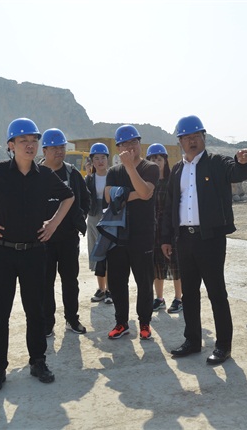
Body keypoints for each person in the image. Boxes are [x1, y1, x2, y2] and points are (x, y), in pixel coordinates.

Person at [0, 118, 74, 393]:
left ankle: (38, 361)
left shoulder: (45, 175)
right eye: (23, 141)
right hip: (2, 253)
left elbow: (68, 197)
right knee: (0, 314)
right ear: (11, 145)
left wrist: (53, 223)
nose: (30, 145)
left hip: (34, 253)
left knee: (36, 312)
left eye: (33, 141)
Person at [162, 115, 247, 365]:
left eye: (196, 136)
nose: (192, 141)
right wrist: (166, 238)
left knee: (216, 293)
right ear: (180, 141)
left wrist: (242, 162)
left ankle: (223, 346)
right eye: (187, 138)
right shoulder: (177, 170)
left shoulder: (217, 162)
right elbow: (170, 205)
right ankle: (192, 340)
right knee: (189, 294)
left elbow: (237, 172)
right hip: (184, 239)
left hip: (210, 239)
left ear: (204, 137)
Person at [105, 125, 159, 341]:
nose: (130, 147)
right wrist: (135, 193)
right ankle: (121, 323)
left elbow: (146, 192)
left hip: (142, 235)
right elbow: (109, 197)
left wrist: (129, 169)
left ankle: (145, 322)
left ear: (140, 143)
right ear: (118, 147)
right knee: (117, 282)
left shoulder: (150, 167)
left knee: (144, 282)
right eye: (125, 143)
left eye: (133, 142)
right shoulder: (113, 172)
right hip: (117, 236)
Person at [40, 128, 90, 337]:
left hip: (68, 239)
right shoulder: (35, 174)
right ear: (44, 150)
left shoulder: (72, 173)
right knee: (45, 283)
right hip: (43, 240)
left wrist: (78, 219)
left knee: (70, 281)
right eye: (54, 148)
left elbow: (85, 199)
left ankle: (72, 319)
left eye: (61, 147)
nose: (59, 151)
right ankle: (47, 323)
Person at [146, 143, 183, 314]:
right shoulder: (148, 183)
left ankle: (179, 299)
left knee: (176, 265)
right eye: (152, 160)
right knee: (156, 266)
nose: (156, 162)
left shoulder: (172, 181)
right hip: (153, 230)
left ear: (165, 161)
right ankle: (159, 298)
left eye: (159, 159)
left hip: (170, 228)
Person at [86, 142, 113, 305]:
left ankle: (110, 289)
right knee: (96, 252)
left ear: (108, 159)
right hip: (93, 217)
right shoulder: (89, 178)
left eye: (103, 157)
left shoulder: (113, 175)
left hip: (109, 218)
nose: (100, 161)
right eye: (96, 158)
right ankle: (101, 289)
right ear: (92, 161)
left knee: (109, 252)